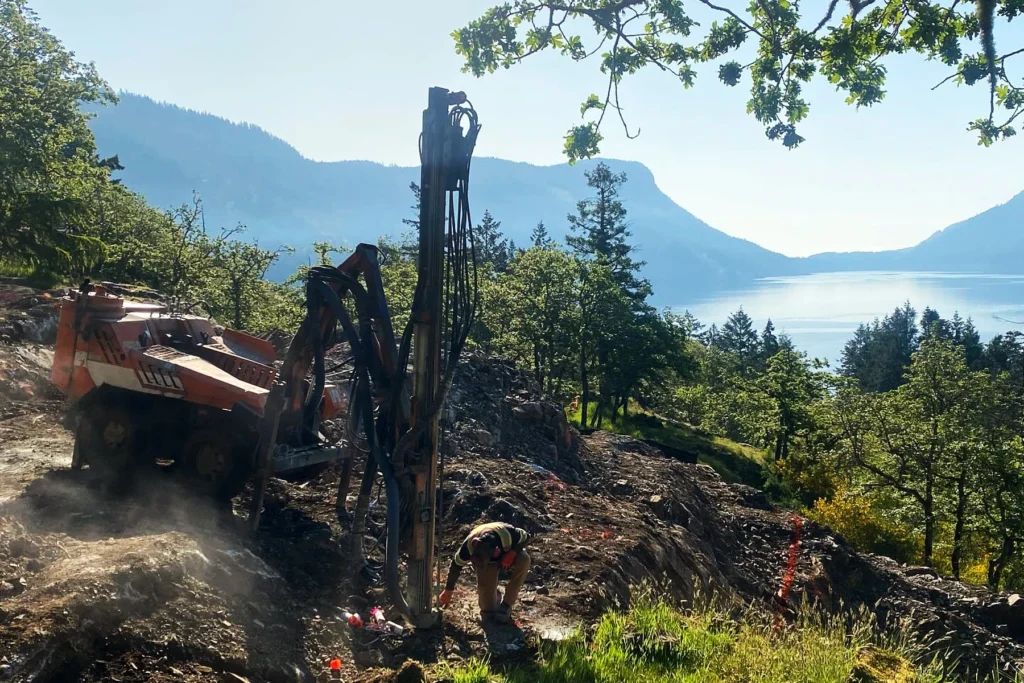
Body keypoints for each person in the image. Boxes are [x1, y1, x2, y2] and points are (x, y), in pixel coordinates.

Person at [437, 521, 531, 624]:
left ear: (496, 552)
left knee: (524, 559)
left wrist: (513, 553)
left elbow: (526, 536)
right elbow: (455, 566)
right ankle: (495, 593)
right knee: (488, 609)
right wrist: (448, 590)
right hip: (489, 562)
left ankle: (507, 604)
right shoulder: (468, 547)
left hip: (507, 552)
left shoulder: (508, 536)